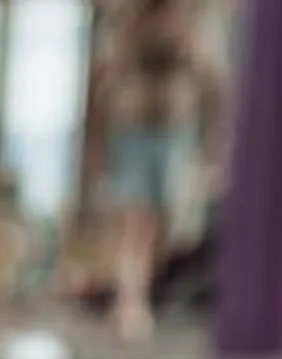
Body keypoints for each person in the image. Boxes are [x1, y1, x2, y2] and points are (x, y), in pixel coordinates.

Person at [85, 0, 225, 341]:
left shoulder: (191, 24)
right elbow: (103, 78)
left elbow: (211, 81)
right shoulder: (126, 23)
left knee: (163, 223)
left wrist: (213, 141)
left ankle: (141, 294)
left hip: (173, 131)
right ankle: (129, 302)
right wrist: (96, 141)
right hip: (130, 127)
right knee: (135, 219)